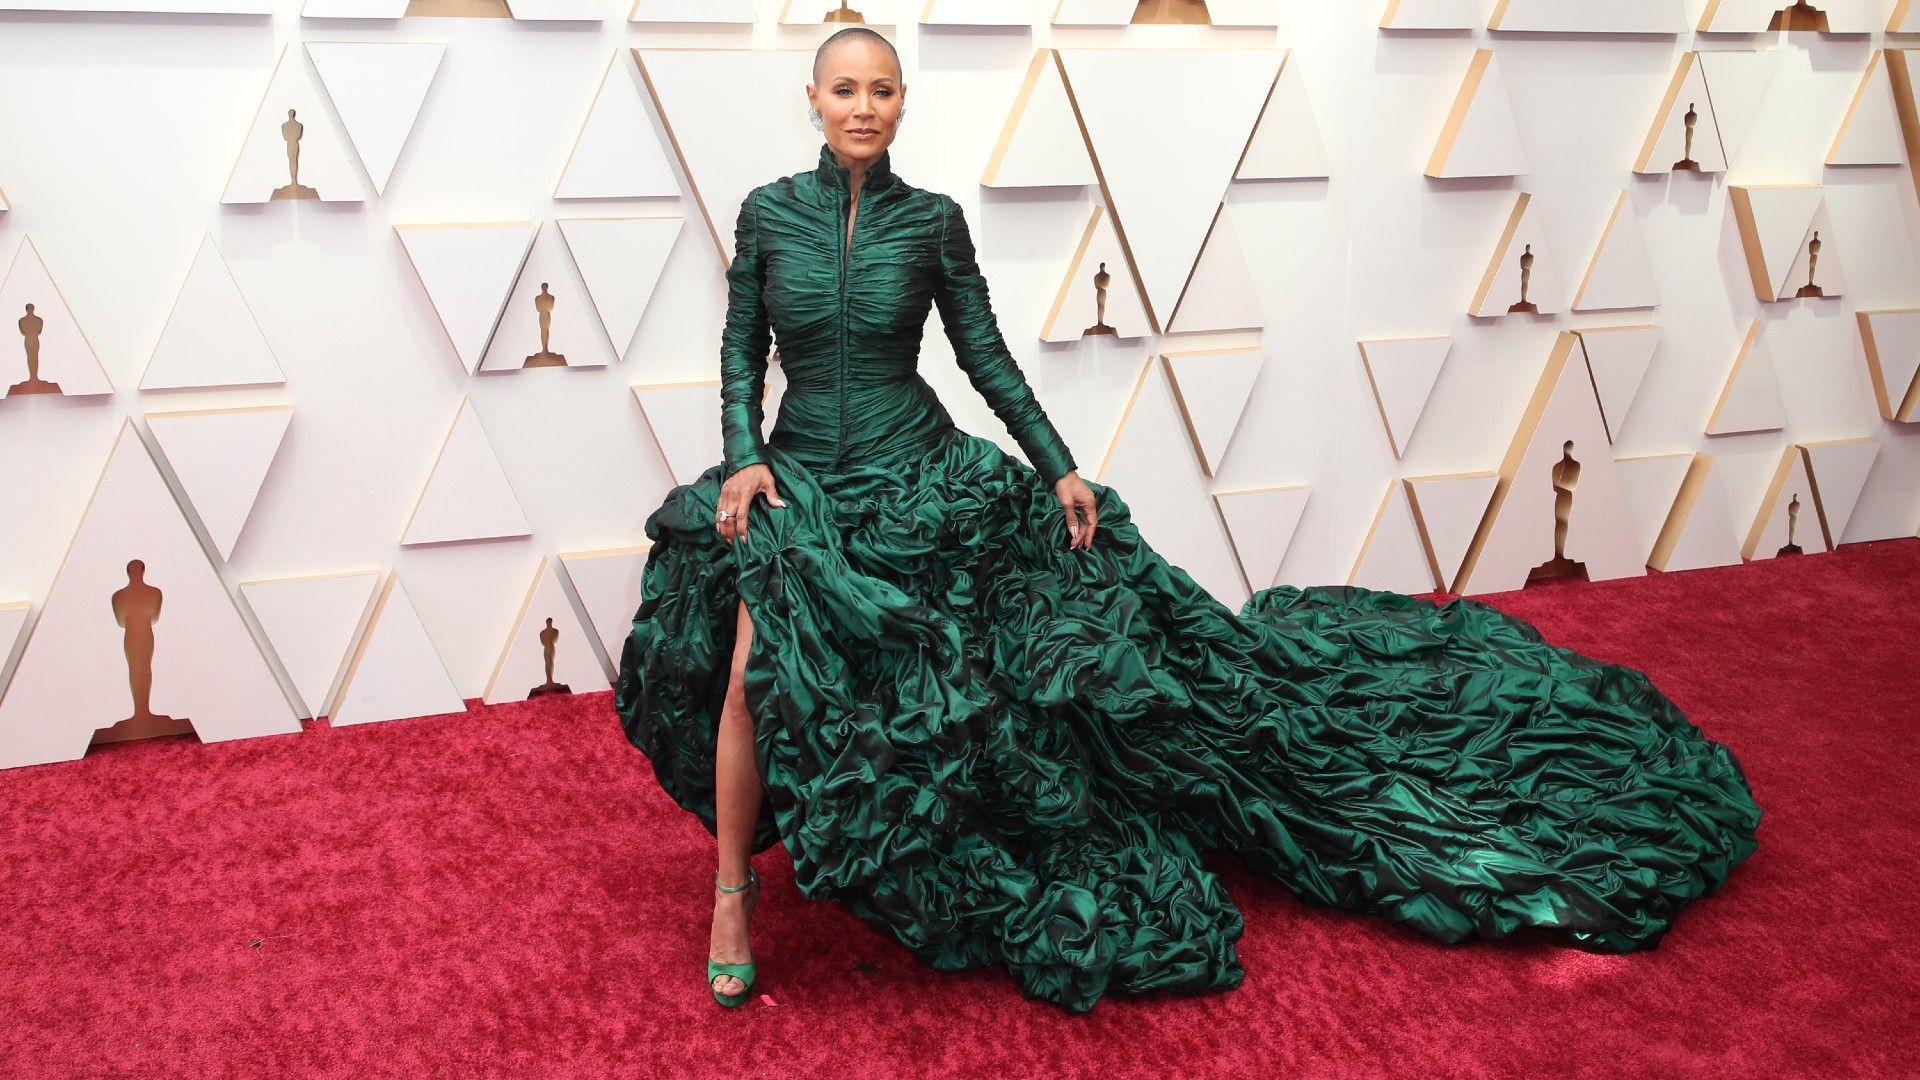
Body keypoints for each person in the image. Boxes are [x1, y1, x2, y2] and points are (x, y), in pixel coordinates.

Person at [613, 26, 1763, 1014]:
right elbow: (739, 349)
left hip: (924, 472)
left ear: (903, 101)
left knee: (1000, 670)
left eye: (884, 88)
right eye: (845, 89)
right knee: (756, 667)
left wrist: (1059, 464)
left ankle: (969, 831)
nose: (864, 106)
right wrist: (743, 461)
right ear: (810, 100)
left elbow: (984, 356)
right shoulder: (768, 214)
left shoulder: (935, 221)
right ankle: (733, 895)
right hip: (803, 482)